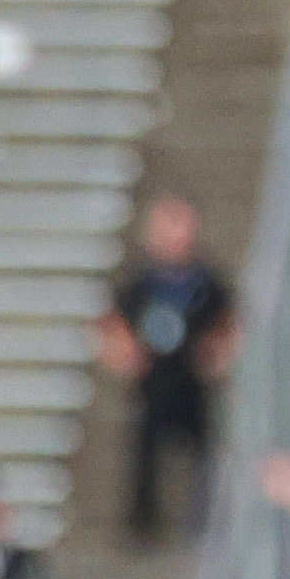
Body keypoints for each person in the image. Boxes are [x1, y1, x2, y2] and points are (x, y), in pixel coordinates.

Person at [96, 195, 239, 543]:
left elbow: (229, 321)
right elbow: (111, 323)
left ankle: (207, 523)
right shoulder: (141, 284)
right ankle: (142, 526)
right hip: (154, 385)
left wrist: (218, 355)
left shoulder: (205, 283)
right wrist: (125, 355)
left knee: (205, 453)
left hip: (192, 385)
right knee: (146, 453)